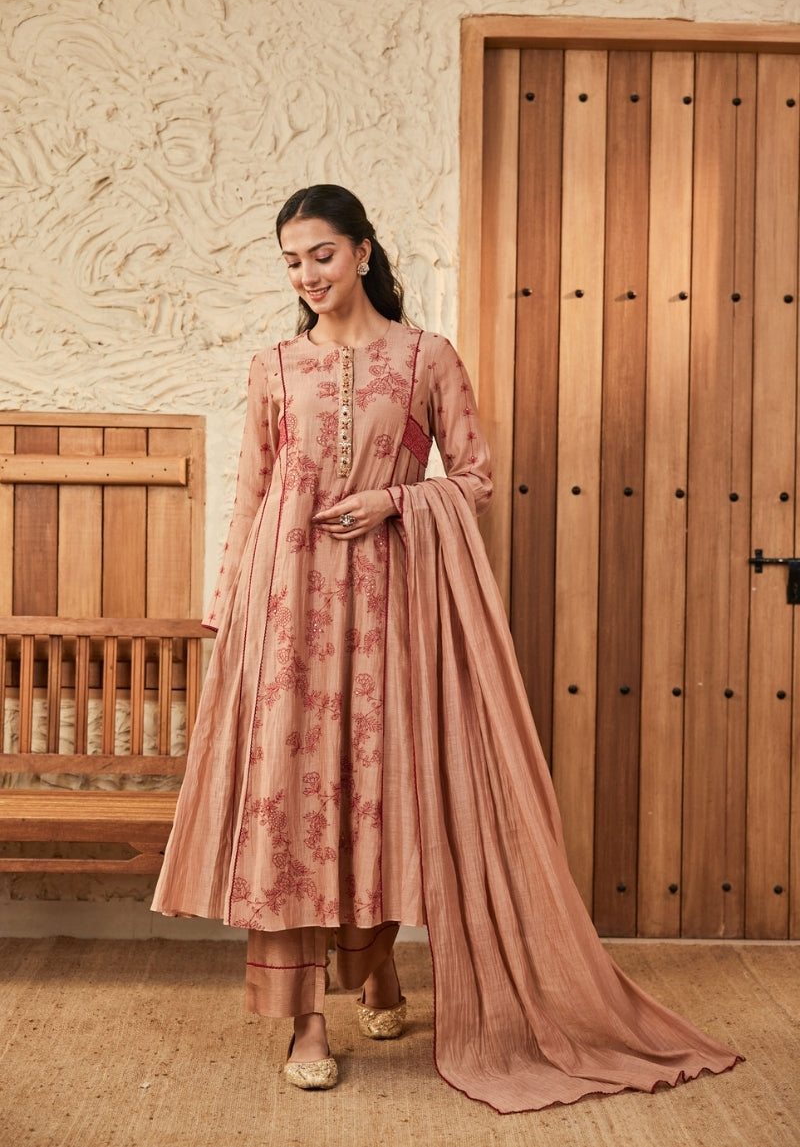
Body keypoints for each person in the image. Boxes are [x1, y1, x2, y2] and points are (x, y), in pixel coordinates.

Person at [152, 185, 741, 1111]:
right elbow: (253, 490)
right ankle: (308, 1017)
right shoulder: (275, 366)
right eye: (292, 261)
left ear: (364, 251)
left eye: (323, 255)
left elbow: (474, 477)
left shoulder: (427, 358)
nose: (308, 275)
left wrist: (396, 500)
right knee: (292, 805)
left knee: (383, 792)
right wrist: (230, 610)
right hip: (290, 609)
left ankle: (376, 964)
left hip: (394, 602)